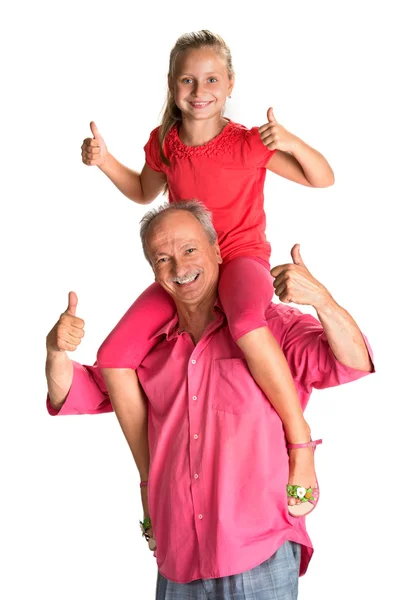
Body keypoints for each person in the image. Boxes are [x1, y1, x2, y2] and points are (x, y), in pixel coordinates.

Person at [46, 201, 373, 599]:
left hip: (259, 551)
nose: (179, 268)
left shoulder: (272, 329)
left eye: (189, 250)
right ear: (153, 272)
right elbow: (74, 391)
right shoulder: (144, 352)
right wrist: (56, 353)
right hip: (179, 556)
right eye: (162, 259)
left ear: (217, 250)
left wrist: (322, 300)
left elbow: (354, 362)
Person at [80, 29, 335, 520]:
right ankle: (150, 477)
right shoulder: (165, 143)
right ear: (173, 86)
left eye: (211, 79)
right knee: (114, 355)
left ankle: (300, 444)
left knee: (246, 325)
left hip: (239, 259)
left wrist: (290, 140)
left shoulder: (246, 143)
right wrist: (105, 161)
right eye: (188, 81)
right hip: (185, 270)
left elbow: (322, 177)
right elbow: (141, 191)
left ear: (231, 83)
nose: (200, 91)